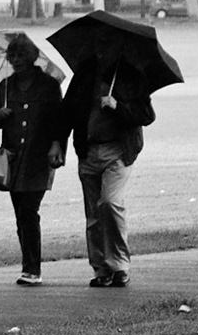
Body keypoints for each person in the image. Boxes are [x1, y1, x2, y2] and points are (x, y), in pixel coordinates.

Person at [63, 56, 156, 288]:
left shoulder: (130, 75)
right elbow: (68, 111)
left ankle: (120, 265)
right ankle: (101, 268)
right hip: (88, 150)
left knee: (110, 203)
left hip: (118, 151)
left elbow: (146, 115)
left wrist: (118, 107)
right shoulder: (85, 74)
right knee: (94, 214)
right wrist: (58, 143)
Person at [0, 35, 67, 286]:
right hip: (12, 158)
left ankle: (32, 269)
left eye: (21, 56)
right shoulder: (5, 86)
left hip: (38, 156)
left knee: (29, 210)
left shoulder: (48, 85)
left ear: (32, 57)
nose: (16, 60)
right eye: (12, 56)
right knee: (20, 213)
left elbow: (59, 120)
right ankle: (29, 265)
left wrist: (57, 145)